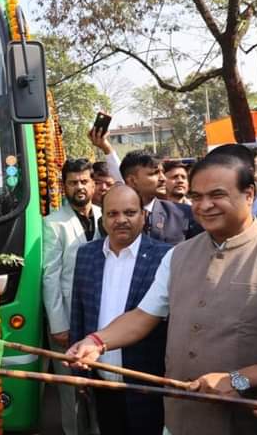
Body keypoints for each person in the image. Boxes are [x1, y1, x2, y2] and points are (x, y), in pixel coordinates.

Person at [67, 153, 257, 435]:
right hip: (179, 420)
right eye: (196, 197)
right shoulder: (178, 255)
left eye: (217, 195)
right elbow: (143, 316)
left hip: (248, 423)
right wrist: (97, 341)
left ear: (249, 194)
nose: (205, 206)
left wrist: (239, 379)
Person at [70, 184, 171, 434]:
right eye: (113, 214)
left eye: (129, 212)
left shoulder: (166, 257)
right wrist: (79, 370)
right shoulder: (87, 255)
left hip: (147, 384)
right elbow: (79, 313)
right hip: (101, 382)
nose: (121, 220)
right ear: (102, 218)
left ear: (143, 215)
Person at [42, 158, 101, 435]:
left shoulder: (106, 215)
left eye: (84, 181)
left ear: (93, 183)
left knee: (101, 388)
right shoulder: (53, 223)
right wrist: (58, 324)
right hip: (68, 320)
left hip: (102, 318)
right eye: (73, 182)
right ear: (64, 186)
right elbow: (50, 276)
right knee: (72, 391)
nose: (79, 187)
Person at [119, 150, 200, 244]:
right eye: (154, 173)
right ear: (132, 181)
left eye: (162, 172)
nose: (163, 178)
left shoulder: (184, 214)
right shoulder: (114, 218)